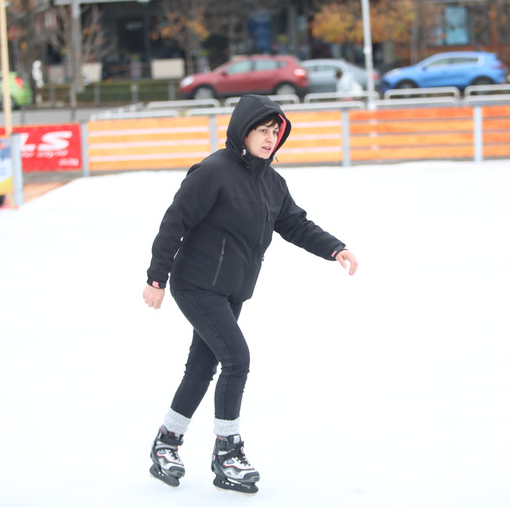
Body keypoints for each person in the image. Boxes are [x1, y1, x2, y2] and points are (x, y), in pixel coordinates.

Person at [142, 94, 359, 494]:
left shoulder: (272, 183)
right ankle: (228, 451)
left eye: (275, 132)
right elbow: (175, 221)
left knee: (202, 368)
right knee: (236, 360)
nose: (269, 138)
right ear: (244, 130)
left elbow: (295, 224)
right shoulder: (213, 171)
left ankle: (166, 443)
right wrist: (157, 279)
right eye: (262, 130)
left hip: (232, 288)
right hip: (195, 283)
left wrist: (334, 247)